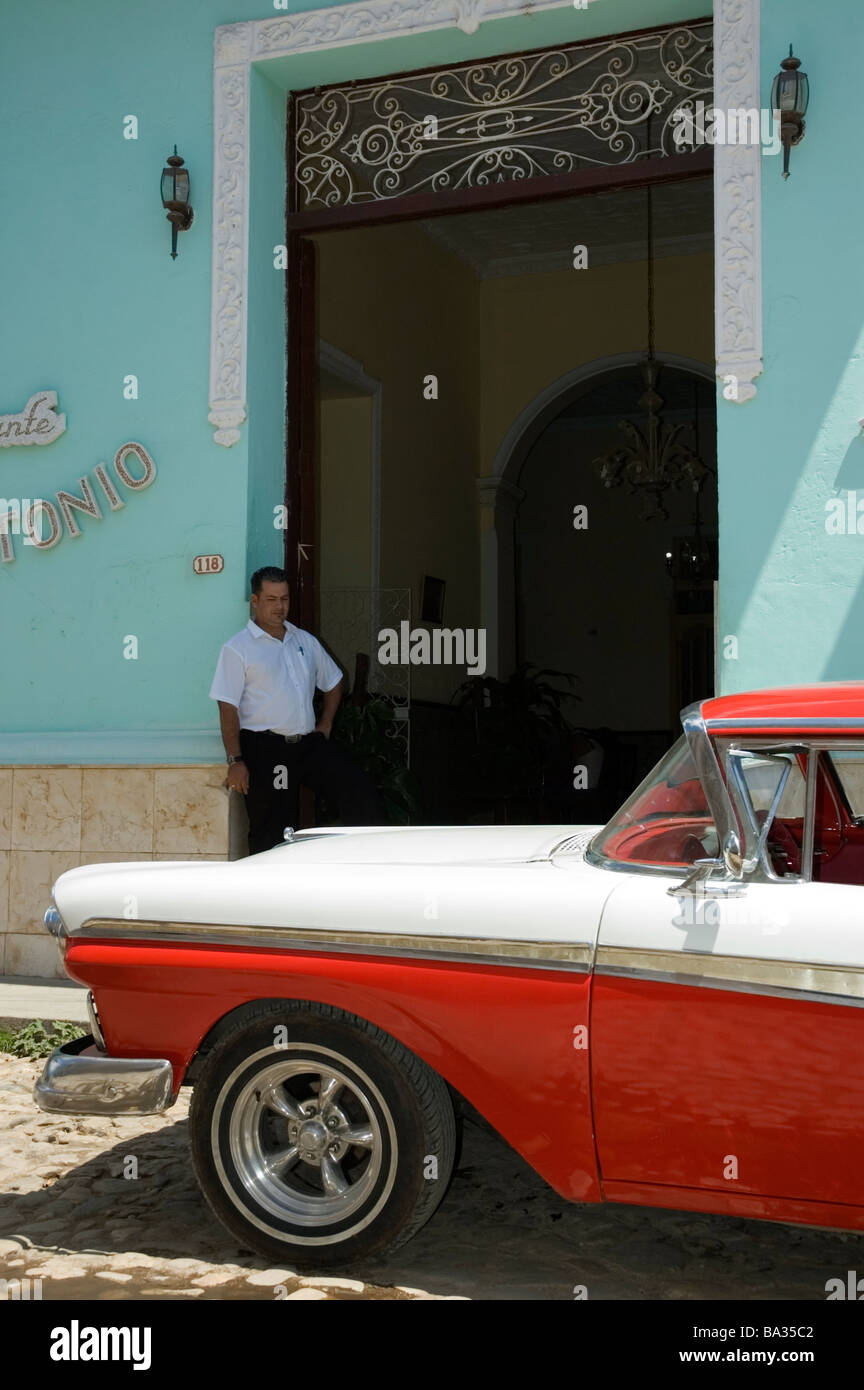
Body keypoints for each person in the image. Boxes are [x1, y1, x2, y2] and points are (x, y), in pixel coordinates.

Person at [210, 566, 383, 854]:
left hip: (309, 745)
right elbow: (227, 706)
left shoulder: (305, 641)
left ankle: (373, 864)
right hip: (268, 749)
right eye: (271, 599)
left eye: (285, 599)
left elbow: (334, 682)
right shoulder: (237, 648)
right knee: (274, 827)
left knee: (359, 791)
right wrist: (235, 760)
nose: (280, 607)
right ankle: (268, 892)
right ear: (255, 601)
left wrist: (325, 724)